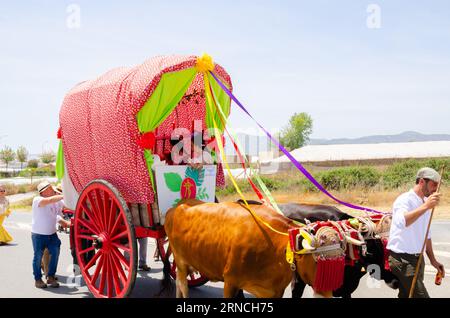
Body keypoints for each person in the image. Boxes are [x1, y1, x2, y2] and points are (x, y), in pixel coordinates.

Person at [387, 167, 445, 298]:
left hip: (418, 258)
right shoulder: (405, 199)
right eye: (433, 184)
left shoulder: (426, 202)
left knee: (407, 295)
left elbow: (427, 235)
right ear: (422, 182)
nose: (436, 188)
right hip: (402, 259)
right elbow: (403, 221)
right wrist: (425, 207)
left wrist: (433, 261)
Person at [31, 181, 70, 288]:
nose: (51, 189)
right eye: (48, 188)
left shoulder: (57, 201)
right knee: (37, 257)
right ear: (42, 192)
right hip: (38, 234)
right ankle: (38, 280)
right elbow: (50, 200)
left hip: (52, 234)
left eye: (51, 187)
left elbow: (65, 208)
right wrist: (65, 195)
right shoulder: (38, 200)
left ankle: (50, 276)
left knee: (55, 253)